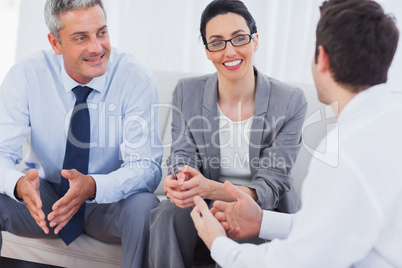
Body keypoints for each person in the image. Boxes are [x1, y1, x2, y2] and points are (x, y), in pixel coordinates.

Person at [190, 0, 402, 267]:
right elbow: (326, 225)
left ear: (321, 58)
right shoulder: (391, 120)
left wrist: (218, 243)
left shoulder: (345, 151)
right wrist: (262, 221)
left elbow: (297, 261)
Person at [0, 0, 162, 267]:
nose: (97, 47)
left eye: (101, 32)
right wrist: (17, 184)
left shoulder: (135, 78)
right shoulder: (26, 76)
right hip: (47, 199)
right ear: (55, 44)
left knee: (145, 208)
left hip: (109, 201)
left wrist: (94, 187)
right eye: (80, 38)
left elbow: (146, 167)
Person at [149, 0, 307, 267]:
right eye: (217, 42)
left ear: (255, 41)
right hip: (204, 208)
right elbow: (181, 157)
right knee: (166, 214)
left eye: (239, 39)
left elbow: (271, 185)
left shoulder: (290, 100)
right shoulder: (186, 92)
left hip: (260, 214)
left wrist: (209, 188)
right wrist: (181, 181)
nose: (229, 51)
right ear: (208, 51)